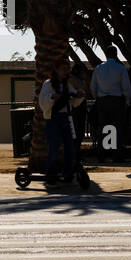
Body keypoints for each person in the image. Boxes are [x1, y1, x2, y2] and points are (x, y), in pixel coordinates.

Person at [39, 57, 85, 186]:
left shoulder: (67, 85)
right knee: (53, 147)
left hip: (66, 117)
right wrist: (52, 97)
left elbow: (74, 102)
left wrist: (79, 95)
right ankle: (51, 175)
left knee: (70, 147)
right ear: (56, 70)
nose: (66, 71)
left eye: (67, 69)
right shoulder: (48, 84)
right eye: (63, 69)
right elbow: (42, 103)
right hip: (53, 119)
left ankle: (68, 173)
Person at [90, 45, 131, 161]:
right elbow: (126, 86)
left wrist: (97, 98)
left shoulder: (98, 68)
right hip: (117, 100)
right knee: (116, 127)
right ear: (116, 54)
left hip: (102, 100)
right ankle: (116, 153)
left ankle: (102, 153)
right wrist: (127, 100)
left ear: (106, 54)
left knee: (104, 127)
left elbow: (93, 86)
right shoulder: (120, 68)